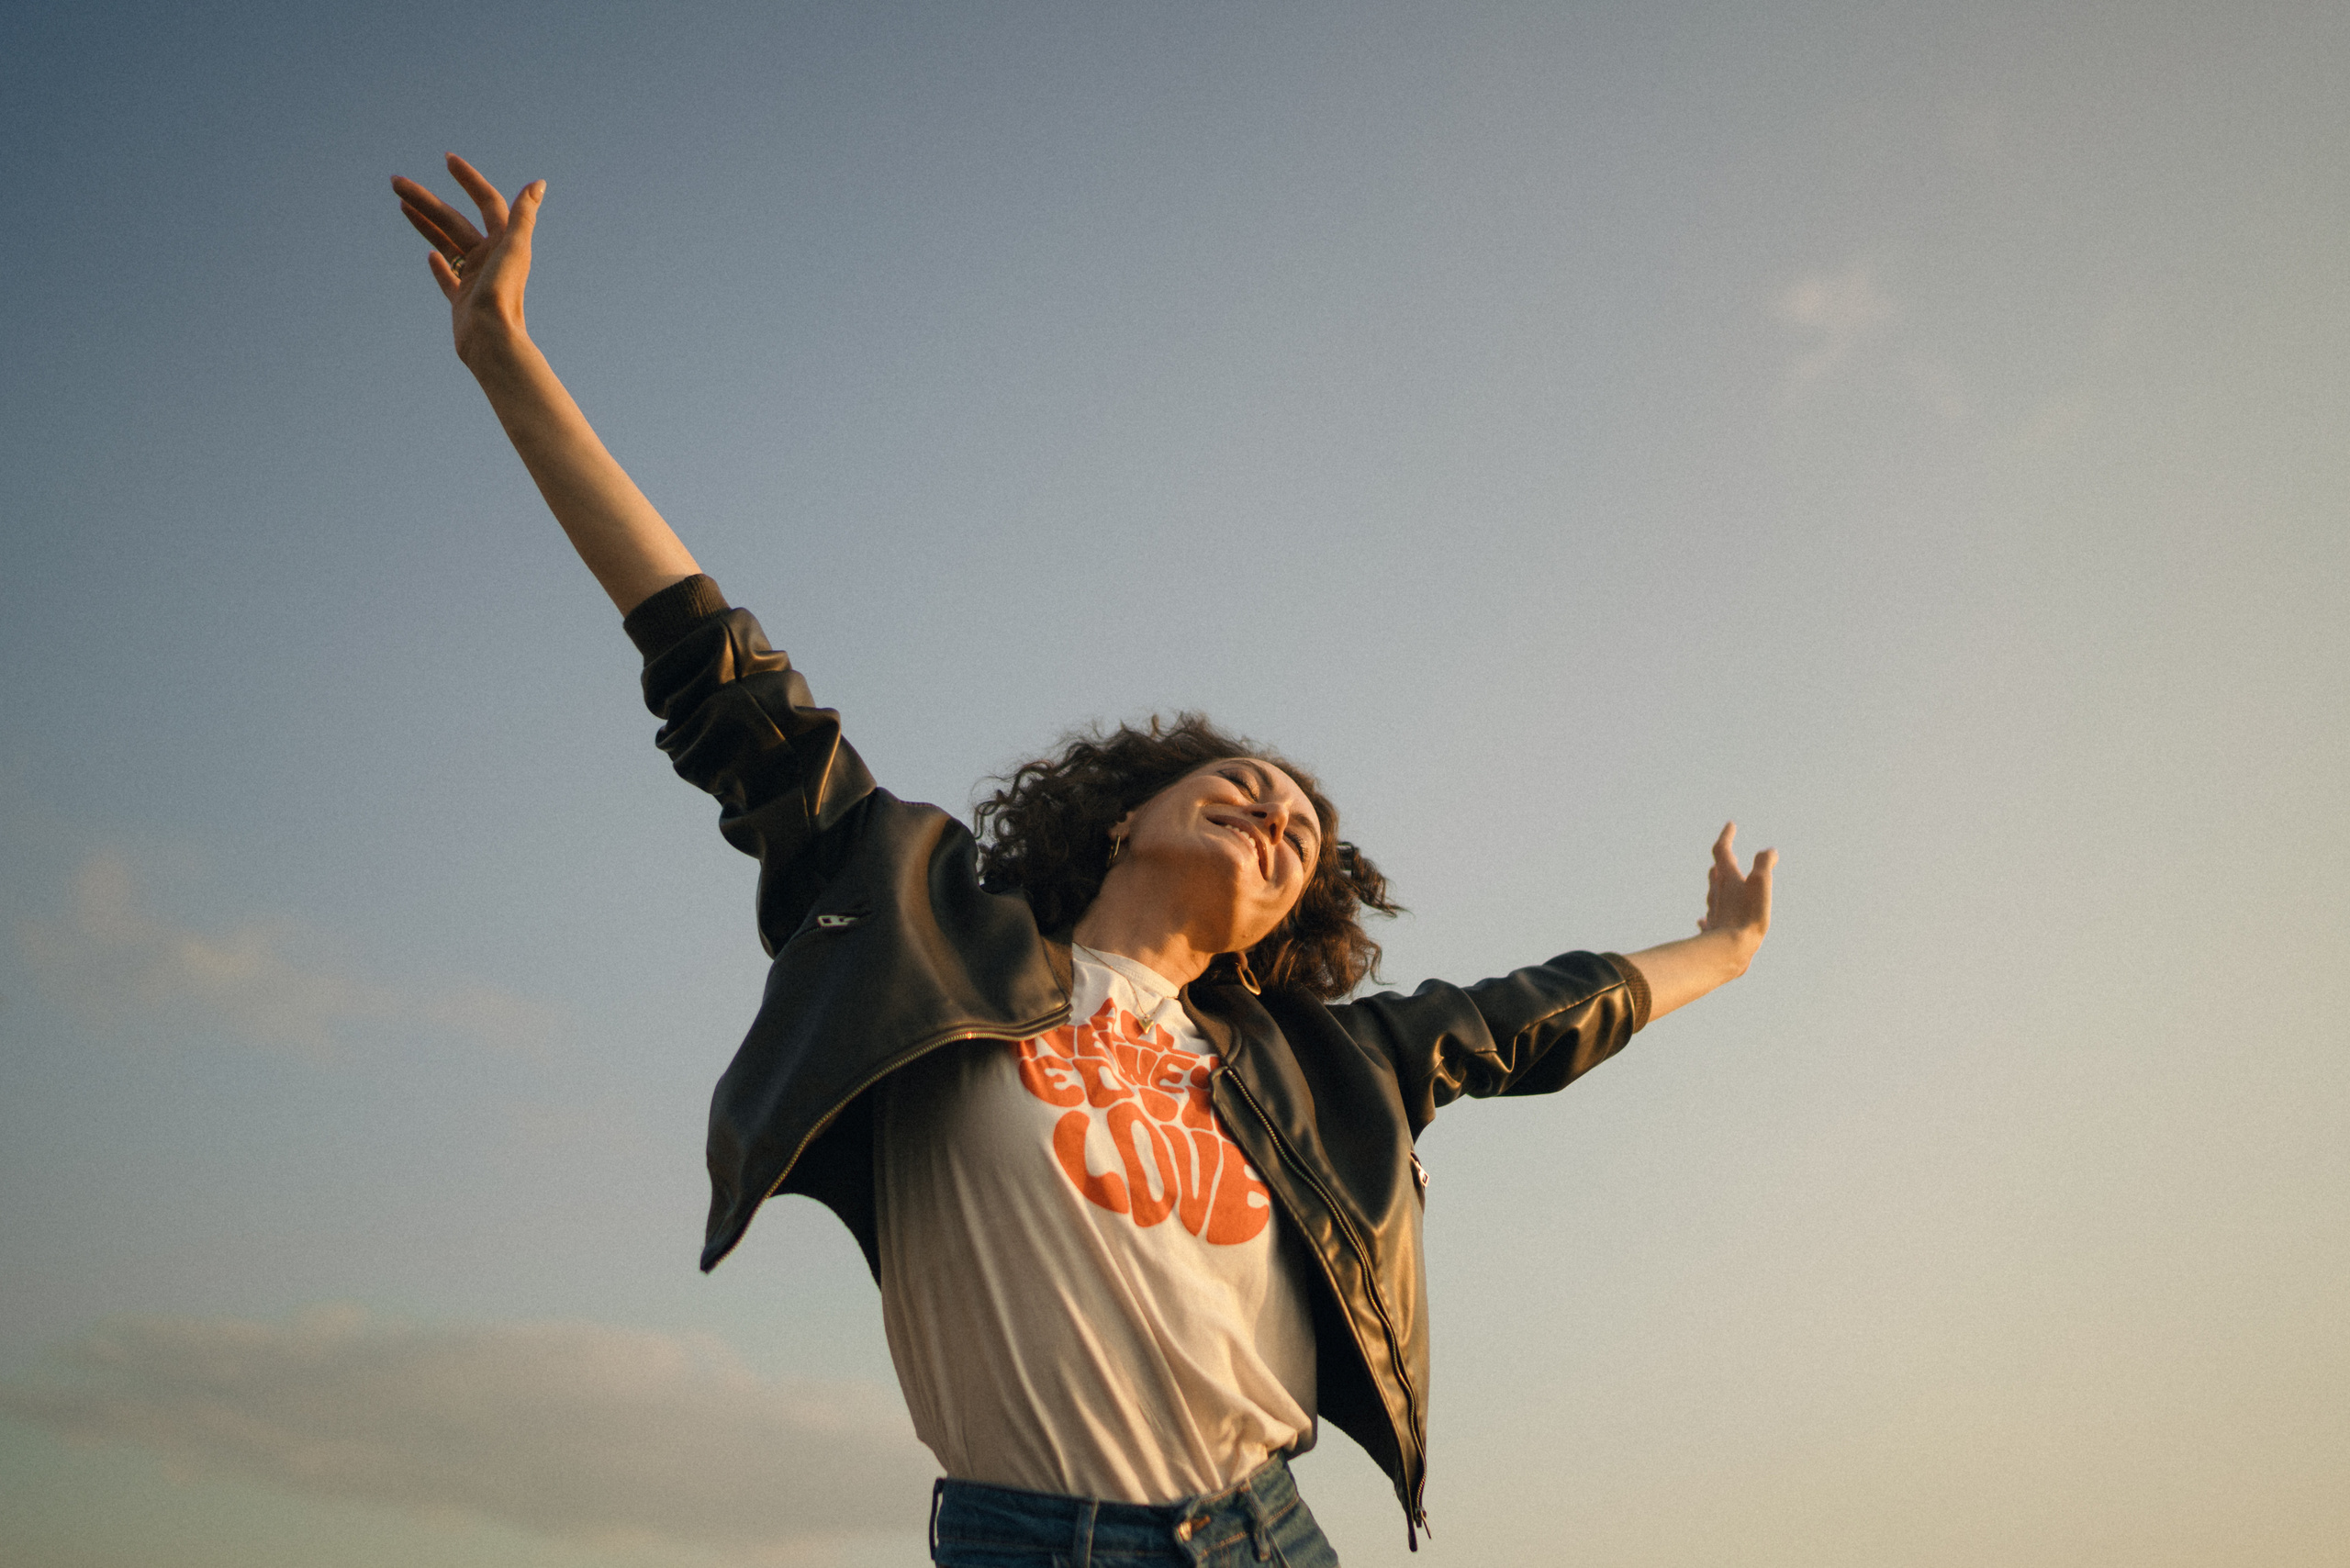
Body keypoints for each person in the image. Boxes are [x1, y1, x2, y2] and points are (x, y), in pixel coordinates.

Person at [392, 154, 1777, 1568]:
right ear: (1126, 815)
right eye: (1242, 786)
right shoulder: (923, 928)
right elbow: (723, 680)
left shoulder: (1316, 1070)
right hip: (1029, 1544)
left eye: (1304, 839)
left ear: (1280, 922)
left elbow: (1533, 1017)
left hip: (1272, 1537)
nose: (1278, 819)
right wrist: (507, 362)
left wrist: (1722, 951)